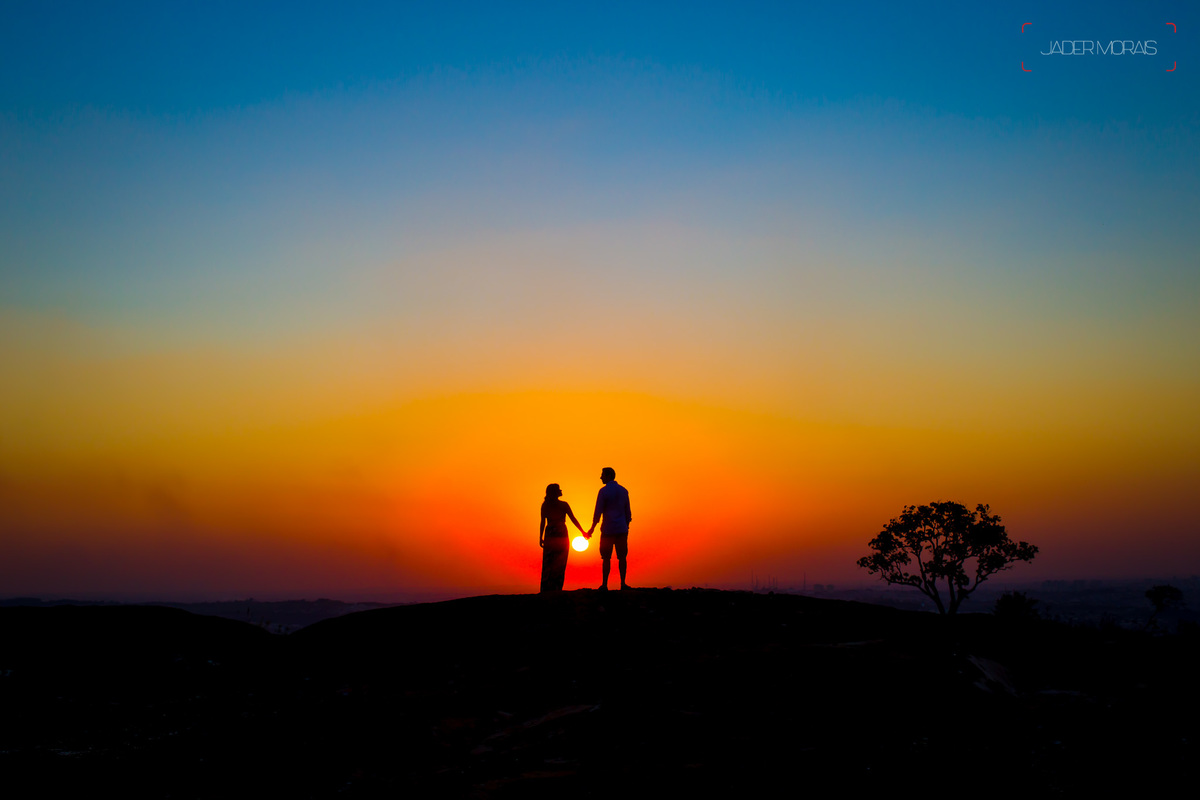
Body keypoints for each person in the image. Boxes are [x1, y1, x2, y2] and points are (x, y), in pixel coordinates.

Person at [585, 467, 632, 590]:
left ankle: (605, 584)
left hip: (608, 529)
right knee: (622, 557)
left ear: (608, 476)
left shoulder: (603, 491)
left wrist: (592, 528)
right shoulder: (624, 491)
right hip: (621, 529)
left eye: (602, 475)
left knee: (606, 558)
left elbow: (598, 512)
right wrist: (626, 525)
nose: (601, 477)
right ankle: (623, 583)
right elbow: (628, 512)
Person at [539, 483, 586, 593]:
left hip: (550, 533)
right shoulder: (563, 505)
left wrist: (540, 537)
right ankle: (556, 588)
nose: (561, 490)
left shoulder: (545, 505)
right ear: (555, 492)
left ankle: (547, 588)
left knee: (548, 562)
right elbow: (573, 519)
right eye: (559, 489)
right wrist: (583, 532)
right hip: (560, 534)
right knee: (560, 561)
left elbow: (542, 522)